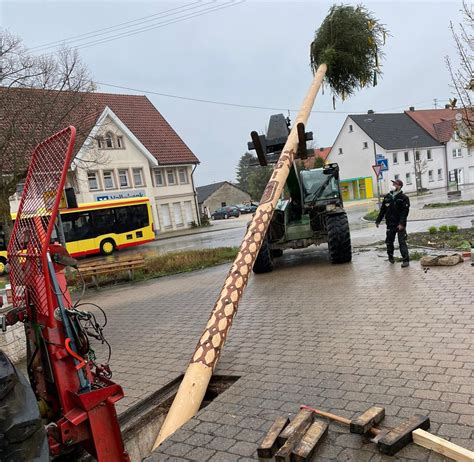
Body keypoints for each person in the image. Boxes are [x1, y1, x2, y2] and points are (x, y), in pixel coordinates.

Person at [375, 179, 410, 267]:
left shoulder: (404, 198)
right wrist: (378, 221)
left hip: (399, 224)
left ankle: (405, 260)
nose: (393, 185)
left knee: (402, 241)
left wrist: (402, 224)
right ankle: (390, 257)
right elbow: (382, 210)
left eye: (395, 184)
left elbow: (404, 213)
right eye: (393, 183)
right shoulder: (387, 197)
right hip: (390, 224)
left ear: (399, 186)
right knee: (389, 242)